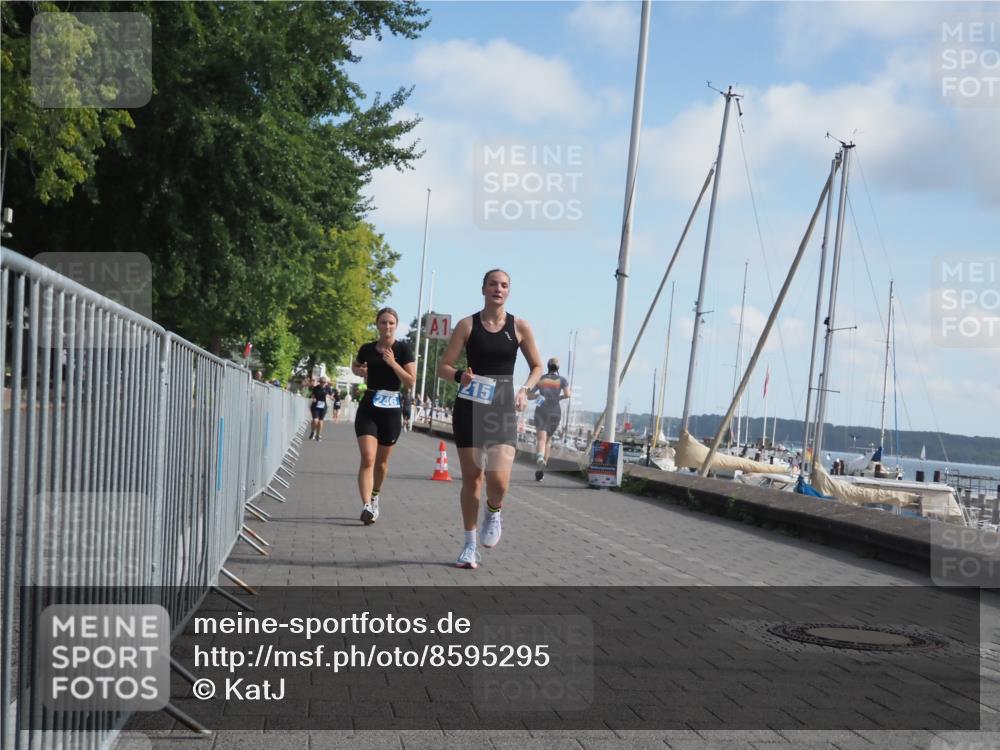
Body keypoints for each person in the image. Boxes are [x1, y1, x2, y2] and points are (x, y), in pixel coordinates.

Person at [438, 269, 543, 569]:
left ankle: (494, 511)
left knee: (498, 480)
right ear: (483, 288)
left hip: (502, 410)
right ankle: (470, 545)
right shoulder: (466, 325)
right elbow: (443, 366)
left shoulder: (520, 326)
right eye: (493, 284)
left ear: (509, 291)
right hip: (470, 407)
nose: (499, 289)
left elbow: (536, 366)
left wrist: (525, 389)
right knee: (473, 478)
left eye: (504, 285)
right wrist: (461, 375)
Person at [352, 308, 416, 525]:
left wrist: (393, 363)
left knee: (381, 463)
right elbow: (356, 365)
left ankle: (375, 495)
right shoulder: (367, 348)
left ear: (396, 325)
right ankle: (366, 506)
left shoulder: (403, 349)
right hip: (369, 406)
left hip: (391, 410)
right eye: (382, 322)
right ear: (377, 325)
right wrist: (359, 371)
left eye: (390, 323)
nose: (386, 327)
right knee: (368, 458)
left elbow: (410, 381)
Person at [529, 357, 571, 481]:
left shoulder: (541, 379)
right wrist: (558, 398)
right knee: (548, 441)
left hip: (541, 409)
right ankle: (542, 468)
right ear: (558, 368)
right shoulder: (562, 380)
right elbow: (568, 394)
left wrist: (537, 395)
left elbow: (529, 395)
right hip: (555, 412)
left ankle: (540, 458)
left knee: (541, 439)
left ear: (548, 366)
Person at [308, 376, 333, 441]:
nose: (323, 383)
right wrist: (314, 398)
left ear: (326, 383)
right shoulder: (316, 388)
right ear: (320, 382)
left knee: (320, 421)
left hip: (323, 406)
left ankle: (318, 435)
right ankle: (313, 432)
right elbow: (313, 395)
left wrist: (329, 396)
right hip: (315, 405)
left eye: (324, 382)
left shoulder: (328, 388)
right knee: (315, 421)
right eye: (321, 382)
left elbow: (331, 396)